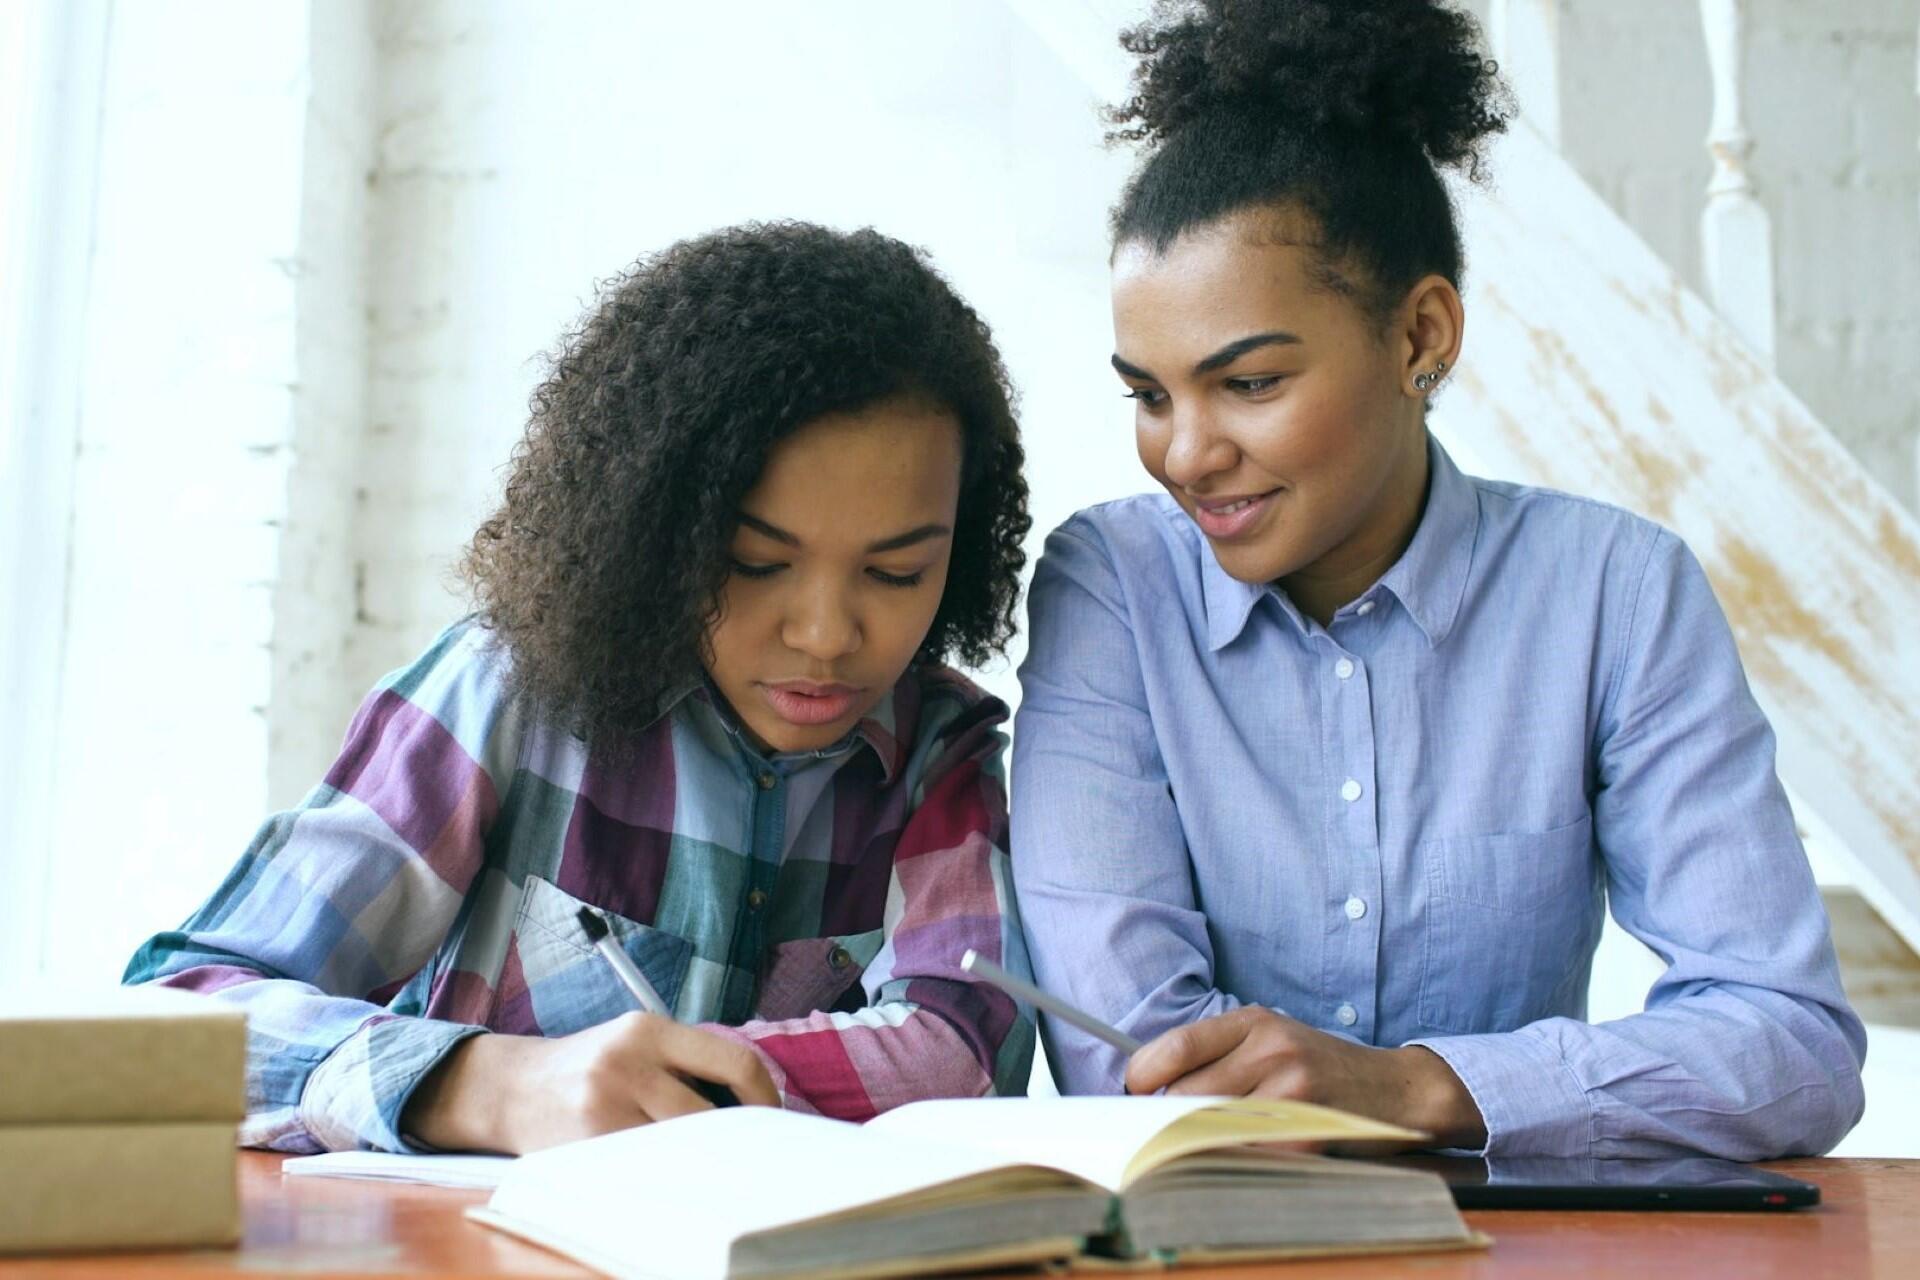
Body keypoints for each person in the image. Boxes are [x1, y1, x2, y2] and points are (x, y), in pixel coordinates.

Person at [1011, 0, 1864, 1159]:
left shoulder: (1615, 592)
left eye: (1249, 383)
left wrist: (1415, 1084)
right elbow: (1137, 1055)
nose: (1187, 452)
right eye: (1150, 394)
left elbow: (1790, 1045)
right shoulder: (1110, 586)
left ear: (1421, 335)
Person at [126, 222, 1036, 1154]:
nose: (825, 635)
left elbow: (963, 1053)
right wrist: (483, 1084)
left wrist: (661, 1087)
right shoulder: (508, 695)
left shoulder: (942, 754)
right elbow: (172, 1019)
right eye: (755, 562)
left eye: (895, 576)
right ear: (659, 531)